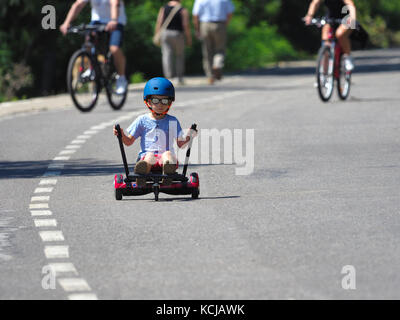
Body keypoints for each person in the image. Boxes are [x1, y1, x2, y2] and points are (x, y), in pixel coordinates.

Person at [112, 77, 197, 186]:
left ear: (170, 102)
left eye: (164, 101)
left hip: (164, 159)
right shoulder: (142, 120)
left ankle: (167, 173)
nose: (160, 105)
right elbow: (128, 141)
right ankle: (142, 173)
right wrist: (121, 135)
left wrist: (190, 135)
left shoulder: (172, 121)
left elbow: (180, 144)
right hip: (147, 156)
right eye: (156, 100)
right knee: (149, 156)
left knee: (167, 154)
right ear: (148, 101)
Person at [60, 0, 128, 94]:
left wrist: (113, 20)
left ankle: (121, 78)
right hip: (97, 21)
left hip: (116, 20)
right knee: (88, 42)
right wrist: (66, 23)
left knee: (114, 48)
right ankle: (91, 68)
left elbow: (114, 4)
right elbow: (78, 5)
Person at [304, 0, 357, 71]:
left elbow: (350, 4)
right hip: (330, 18)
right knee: (325, 41)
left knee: (340, 34)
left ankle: (348, 57)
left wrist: (352, 17)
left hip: (345, 18)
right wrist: (309, 15)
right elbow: (315, 3)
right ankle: (323, 76)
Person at [192, 0, 234, 85]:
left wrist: (197, 29)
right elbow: (230, 13)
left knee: (207, 52)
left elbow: (196, 15)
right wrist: (226, 24)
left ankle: (210, 76)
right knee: (220, 49)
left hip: (205, 25)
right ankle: (217, 65)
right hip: (220, 24)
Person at [155, 0, 192, 85]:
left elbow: (159, 22)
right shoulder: (182, 9)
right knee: (179, 55)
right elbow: (185, 24)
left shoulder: (164, 8)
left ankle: (168, 78)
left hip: (165, 34)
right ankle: (179, 78)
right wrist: (189, 38)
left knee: (167, 55)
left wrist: (157, 34)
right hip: (178, 34)